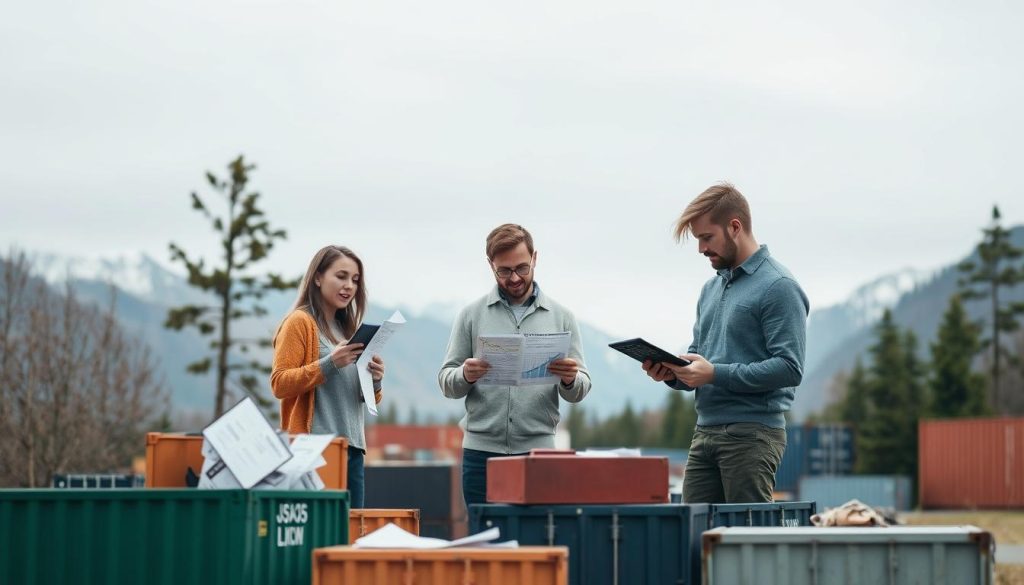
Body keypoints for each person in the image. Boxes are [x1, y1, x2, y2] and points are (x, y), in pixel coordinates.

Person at [643, 183, 809, 504]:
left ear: (735, 227)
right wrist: (674, 374)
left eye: (707, 237)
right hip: (704, 432)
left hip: (752, 435)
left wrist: (714, 374)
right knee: (692, 539)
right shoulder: (710, 289)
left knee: (748, 545)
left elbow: (790, 368)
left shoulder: (779, 286)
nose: (701, 249)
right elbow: (702, 362)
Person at [439, 223, 591, 509]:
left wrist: (570, 379)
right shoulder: (471, 315)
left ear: (535, 258)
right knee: (484, 542)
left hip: (538, 453)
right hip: (480, 455)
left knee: (536, 541)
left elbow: (580, 390)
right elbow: (447, 382)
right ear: (490, 266)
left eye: (522, 267)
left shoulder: (562, 317)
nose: (515, 278)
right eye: (504, 271)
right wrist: (465, 375)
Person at [271, 245, 385, 508]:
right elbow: (279, 383)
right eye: (341, 276)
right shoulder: (299, 322)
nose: (349, 286)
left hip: (353, 448)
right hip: (315, 449)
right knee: (320, 531)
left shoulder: (349, 329)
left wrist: (375, 378)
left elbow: (364, 399)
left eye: (355, 280)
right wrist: (330, 363)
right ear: (318, 277)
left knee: (349, 533)